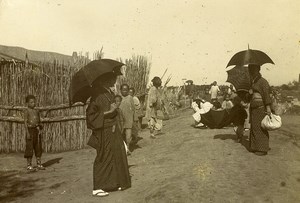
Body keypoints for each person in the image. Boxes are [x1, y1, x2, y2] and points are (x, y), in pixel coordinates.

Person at [86, 73, 131, 197]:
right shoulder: (97, 95)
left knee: (117, 153)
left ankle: (115, 182)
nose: (113, 80)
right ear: (103, 80)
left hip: (113, 128)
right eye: (111, 78)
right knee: (104, 155)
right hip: (104, 130)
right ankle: (98, 187)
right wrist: (109, 111)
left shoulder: (108, 93)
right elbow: (90, 116)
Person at [248, 64, 272, 156]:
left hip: (261, 108)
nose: (252, 72)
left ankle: (262, 149)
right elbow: (249, 96)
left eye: (253, 70)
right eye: (250, 70)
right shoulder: (253, 83)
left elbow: (266, 95)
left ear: (258, 70)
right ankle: (255, 146)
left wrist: (268, 107)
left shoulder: (263, 82)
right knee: (254, 127)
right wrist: (250, 93)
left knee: (261, 127)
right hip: (254, 108)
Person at [23, 95, 45, 171]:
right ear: (27, 103)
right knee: (29, 147)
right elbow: (25, 122)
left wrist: (40, 126)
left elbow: (39, 121)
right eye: (31, 102)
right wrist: (27, 133)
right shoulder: (26, 111)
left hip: (36, 130)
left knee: (38, 147)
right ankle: (29, 165)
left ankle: (39, 164)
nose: (33, 103)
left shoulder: (36, 111)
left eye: (34, 102)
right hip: (30, 130)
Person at [119, 84, 136, 153]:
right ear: (120, 90)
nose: (125, 91)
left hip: (129, 119)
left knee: (128, 136)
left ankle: (127, 148)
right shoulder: (118, 98)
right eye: (123, 90)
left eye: (126, 90)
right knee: (121, 135)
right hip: (120, 120)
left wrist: (134, 118)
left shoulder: (130, 98)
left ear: (128, 91)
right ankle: (123, 149)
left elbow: (133, 109)